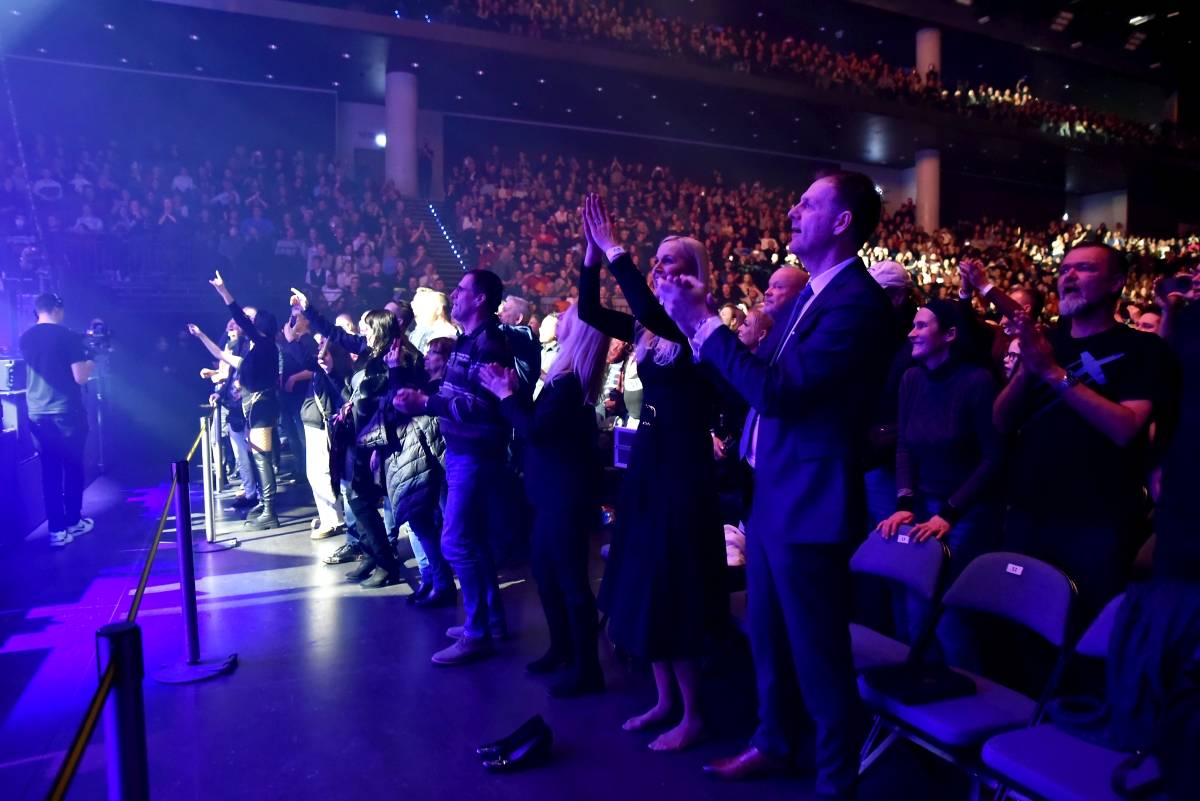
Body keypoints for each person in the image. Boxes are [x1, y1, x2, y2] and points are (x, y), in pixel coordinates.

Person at [659, 171, 894, 799]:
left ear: (843, 223)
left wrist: (705, 324)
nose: (793, 209)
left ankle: (835, 781)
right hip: (773, 496)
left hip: (809, 504)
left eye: (810, 203)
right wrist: (697, 322)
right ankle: (772, 742)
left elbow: (777, 392)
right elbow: (756, 375)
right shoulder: (811, 296)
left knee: (818, 655)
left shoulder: (857, 303)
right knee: (767, 635)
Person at [578, 194, 727, 752]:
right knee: (643, 576)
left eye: (670, 262)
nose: (661, 269)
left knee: (675, 585)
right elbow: (592, 313)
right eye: (657, 261)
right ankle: (665, 700)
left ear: (693, 271)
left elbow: (651, 308)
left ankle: (694, 713)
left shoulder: (697, 319)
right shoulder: (649, 326)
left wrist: (617, 250)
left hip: (682, 468)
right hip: (650, 460)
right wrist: (593, 255)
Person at [993, 242, 1173, 619]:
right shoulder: (1047, 341)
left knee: (1081, 633)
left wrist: (1053, 373)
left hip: (1096, 520)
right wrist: (1028, 367)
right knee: (1018, 626)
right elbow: (1002, 420)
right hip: (1028, 509)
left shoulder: (1144, 349)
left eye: (1084, 269)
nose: (1068, 277)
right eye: (1064, 270)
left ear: (1116, 283)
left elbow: (1126, 427)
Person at [481, 304, 609, 698]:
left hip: (562, 496)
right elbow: (542, 424)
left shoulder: (569, 382)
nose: (560, 317)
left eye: (567, 315)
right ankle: (561, 649)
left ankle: (588, 670)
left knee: (571, 583)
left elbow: (535, 430)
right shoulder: (565, 378)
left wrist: (505, 394)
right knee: (547, 576)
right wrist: (516, 393)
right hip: (550, 493)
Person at [395, 269, 519, 666]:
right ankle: (490, 620)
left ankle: (476, 632)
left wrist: (426, 404)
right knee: (474, 541)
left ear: (480, 299)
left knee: (456, 543)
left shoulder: (490, 345)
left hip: (476, 455)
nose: (455, 293)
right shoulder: (470, 340)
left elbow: (484, 407)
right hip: (463, 452)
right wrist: (424, 395)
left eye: (462, 289)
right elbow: (457, 393)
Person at [875, 299, 1003, 669]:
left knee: (946, 611)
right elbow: (905, 446)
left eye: (921, 326)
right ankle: (923, 687)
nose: (911, 333)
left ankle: (967, 694)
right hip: (926, 504)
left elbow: (993, 458)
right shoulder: (911, 379)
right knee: (915, 603)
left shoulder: (977, 382)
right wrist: (904, 502)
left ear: (949, 335)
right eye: (912, 325)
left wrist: (950, 512)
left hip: (967, 509)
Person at [199, 271, 282, 530]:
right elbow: (225, 357)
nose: (247, 323)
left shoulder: (266, 343)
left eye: (253, 321)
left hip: (262, 405)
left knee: (261, 458)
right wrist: (201, 336)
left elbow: (240, 319)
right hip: (254, 406)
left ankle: (270, 511)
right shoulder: (254, 349)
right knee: (258, 457)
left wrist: (224, 292)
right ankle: (265, 505)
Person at [19, 293, 94, 547]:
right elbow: (80, 377)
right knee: (72, 467)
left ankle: (56, 530)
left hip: (37, 412)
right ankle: (73, 520)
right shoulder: (67, 336)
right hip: (65, 412)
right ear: (57, 308)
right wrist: (91, 360)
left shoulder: (26, 337)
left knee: (49, 471)